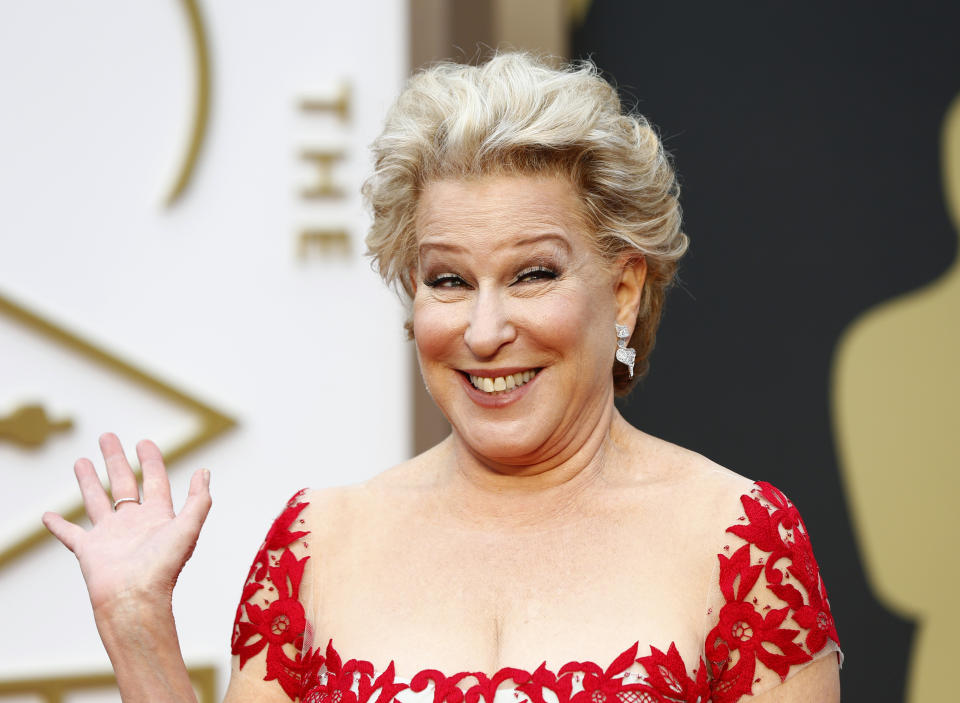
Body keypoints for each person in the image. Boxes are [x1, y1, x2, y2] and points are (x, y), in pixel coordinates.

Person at [42, 53, 842, 703]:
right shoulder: (318, 541)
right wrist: (137, 625)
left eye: (532, 274)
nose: (485, 332)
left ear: (624, 288)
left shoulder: (736, 538)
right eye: (449, 281)